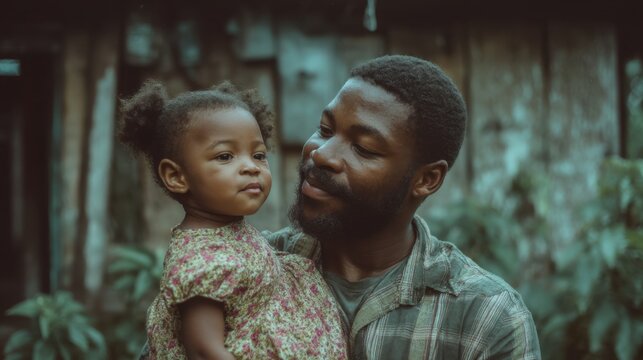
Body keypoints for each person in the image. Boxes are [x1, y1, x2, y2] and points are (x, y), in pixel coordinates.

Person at [269, 55, 542, 359]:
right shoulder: (253, 267)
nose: (321, 154)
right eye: (325, 129)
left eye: (363, 149)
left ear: (426, 179)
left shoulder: (486, 318)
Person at [120, 80, 347, 359]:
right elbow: (204, 350)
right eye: (225, 156)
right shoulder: (199, 260)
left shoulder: (229, 232)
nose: (251, 167)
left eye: (258, 155)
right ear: (176, 177)